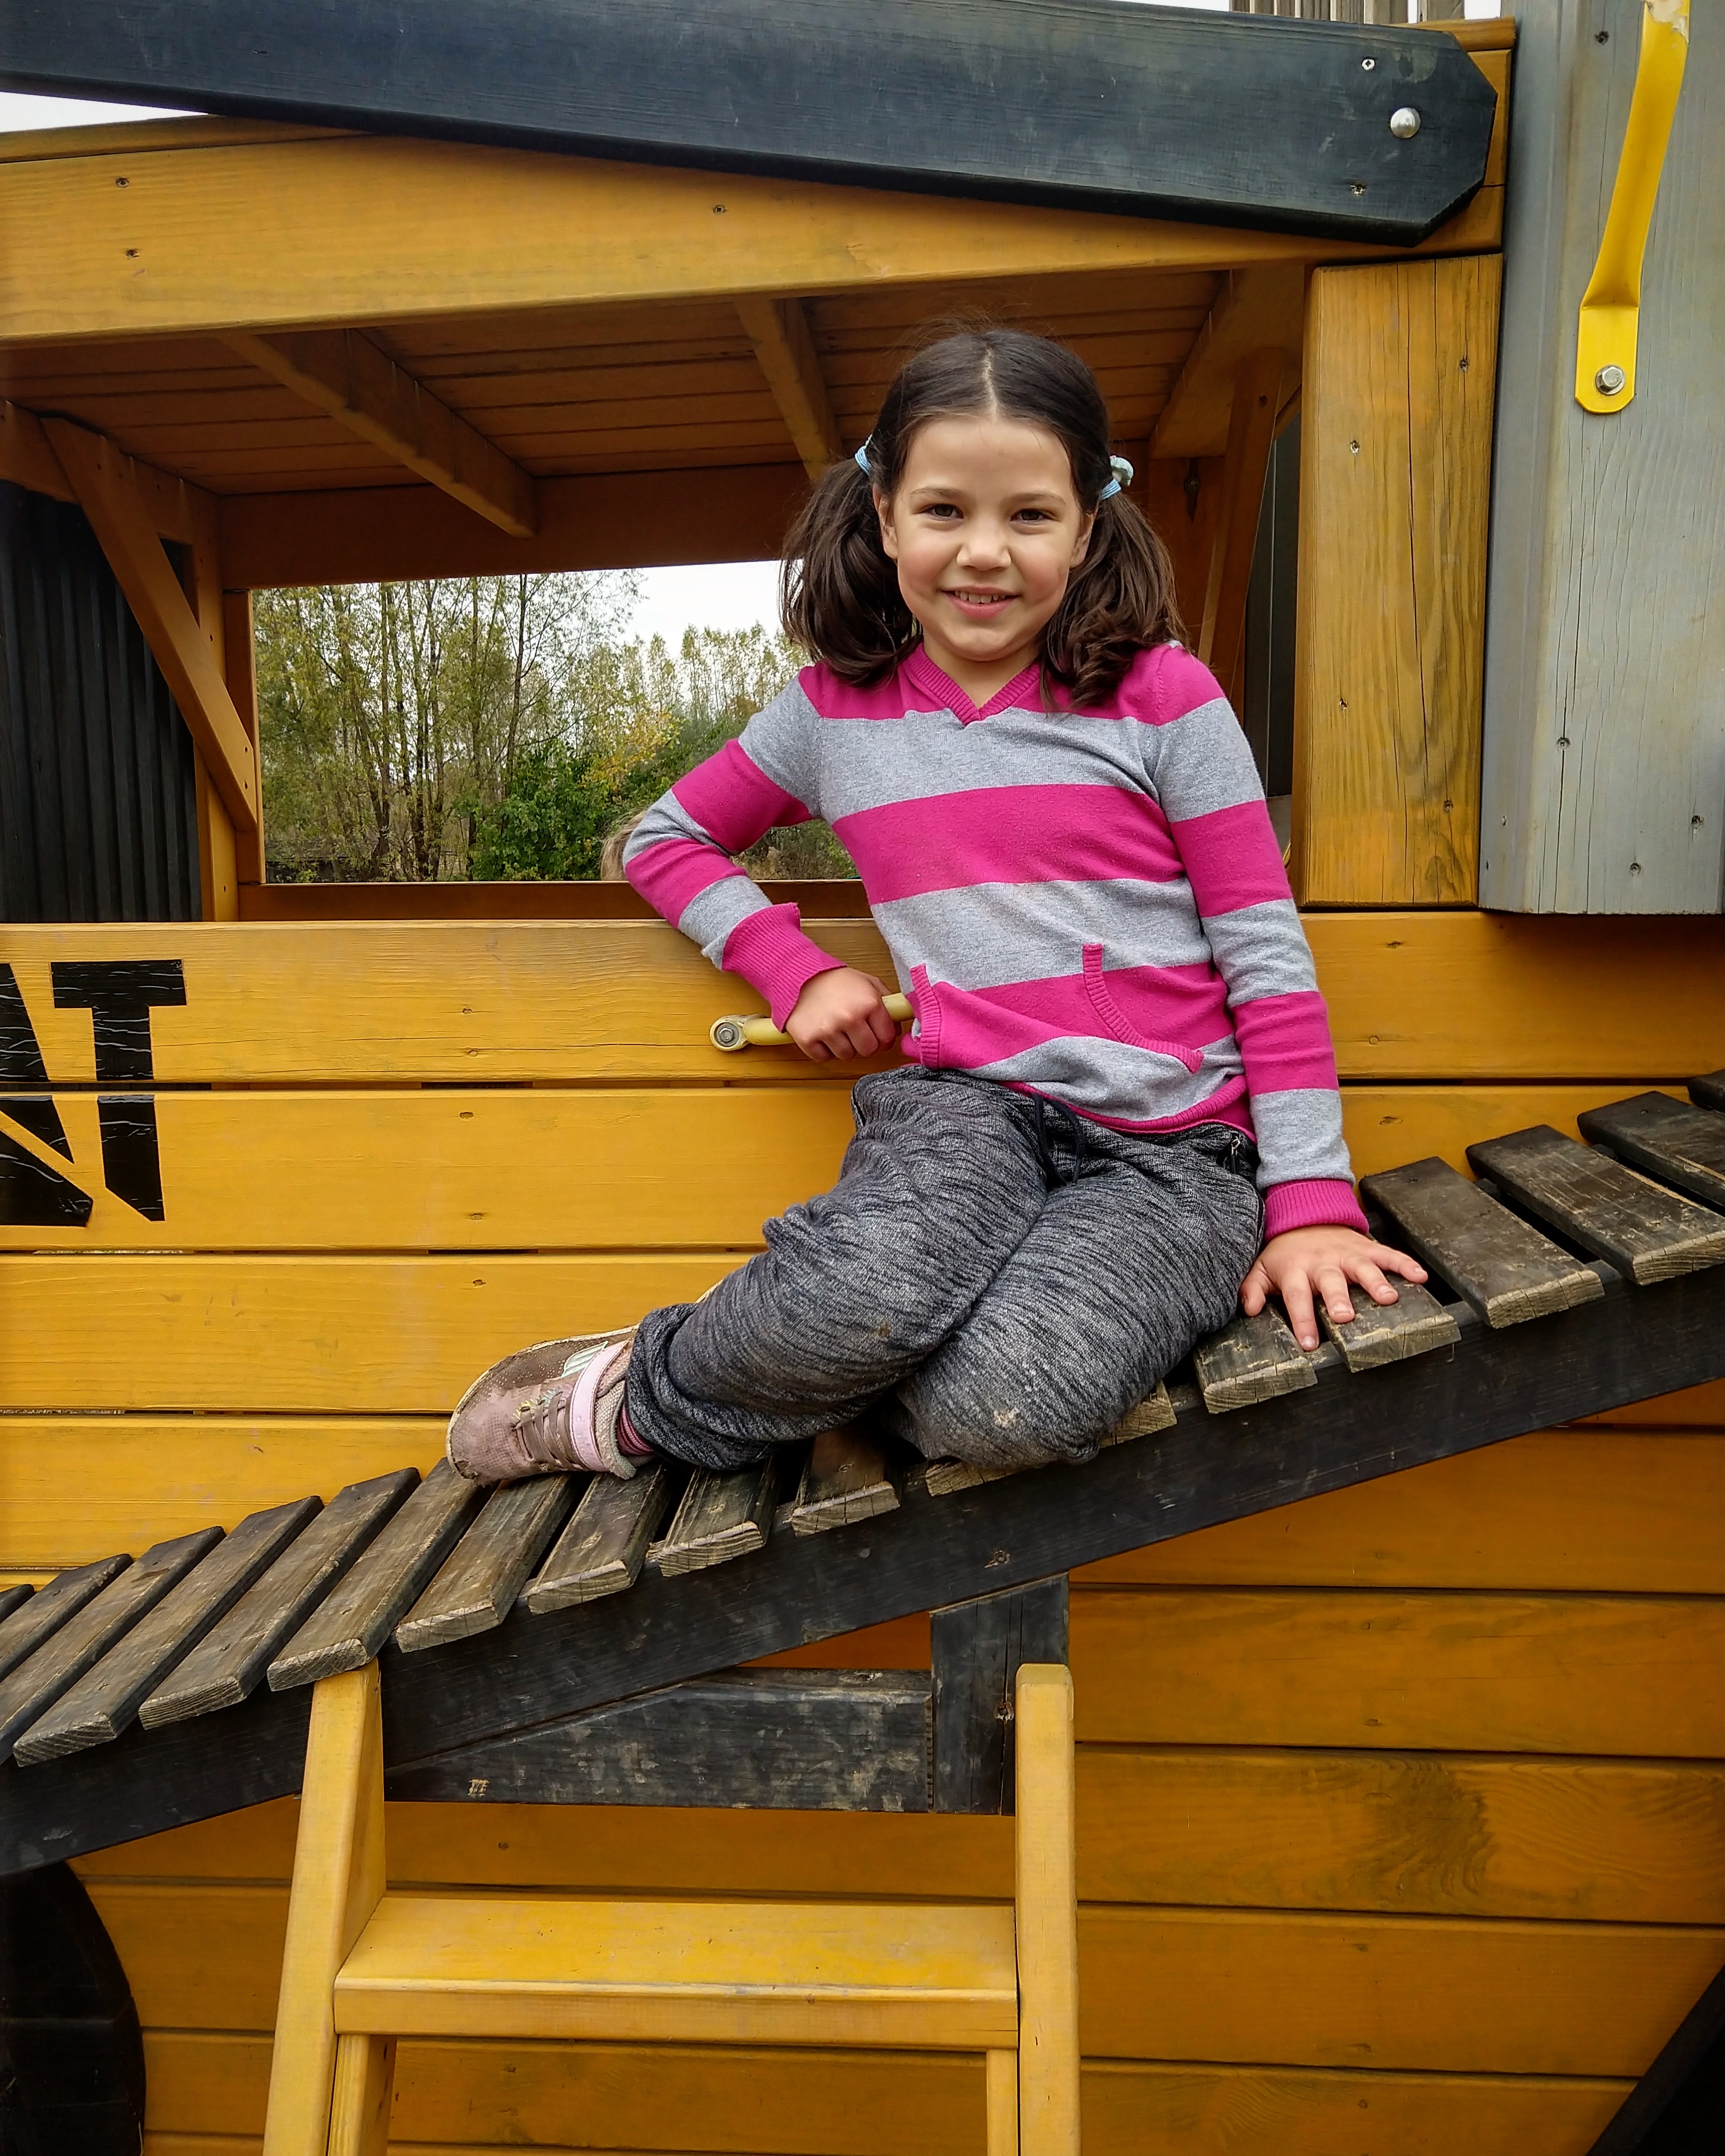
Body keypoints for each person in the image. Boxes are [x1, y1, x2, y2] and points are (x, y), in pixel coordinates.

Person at [448, 328, 1426, 1486]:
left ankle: (805, 1373)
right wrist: (796, 970)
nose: (984, 552)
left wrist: (1309, 1199)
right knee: (858, 1292)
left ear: (1088, 526)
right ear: (885, 515)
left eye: (1030, 516)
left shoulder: (1167, 698)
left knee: (1010, 1409)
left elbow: (1265, 955)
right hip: (967, 1111)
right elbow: (664, 840)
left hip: (1176, 1153)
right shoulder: (832, 713)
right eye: (945, 510)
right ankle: (638, 1396)